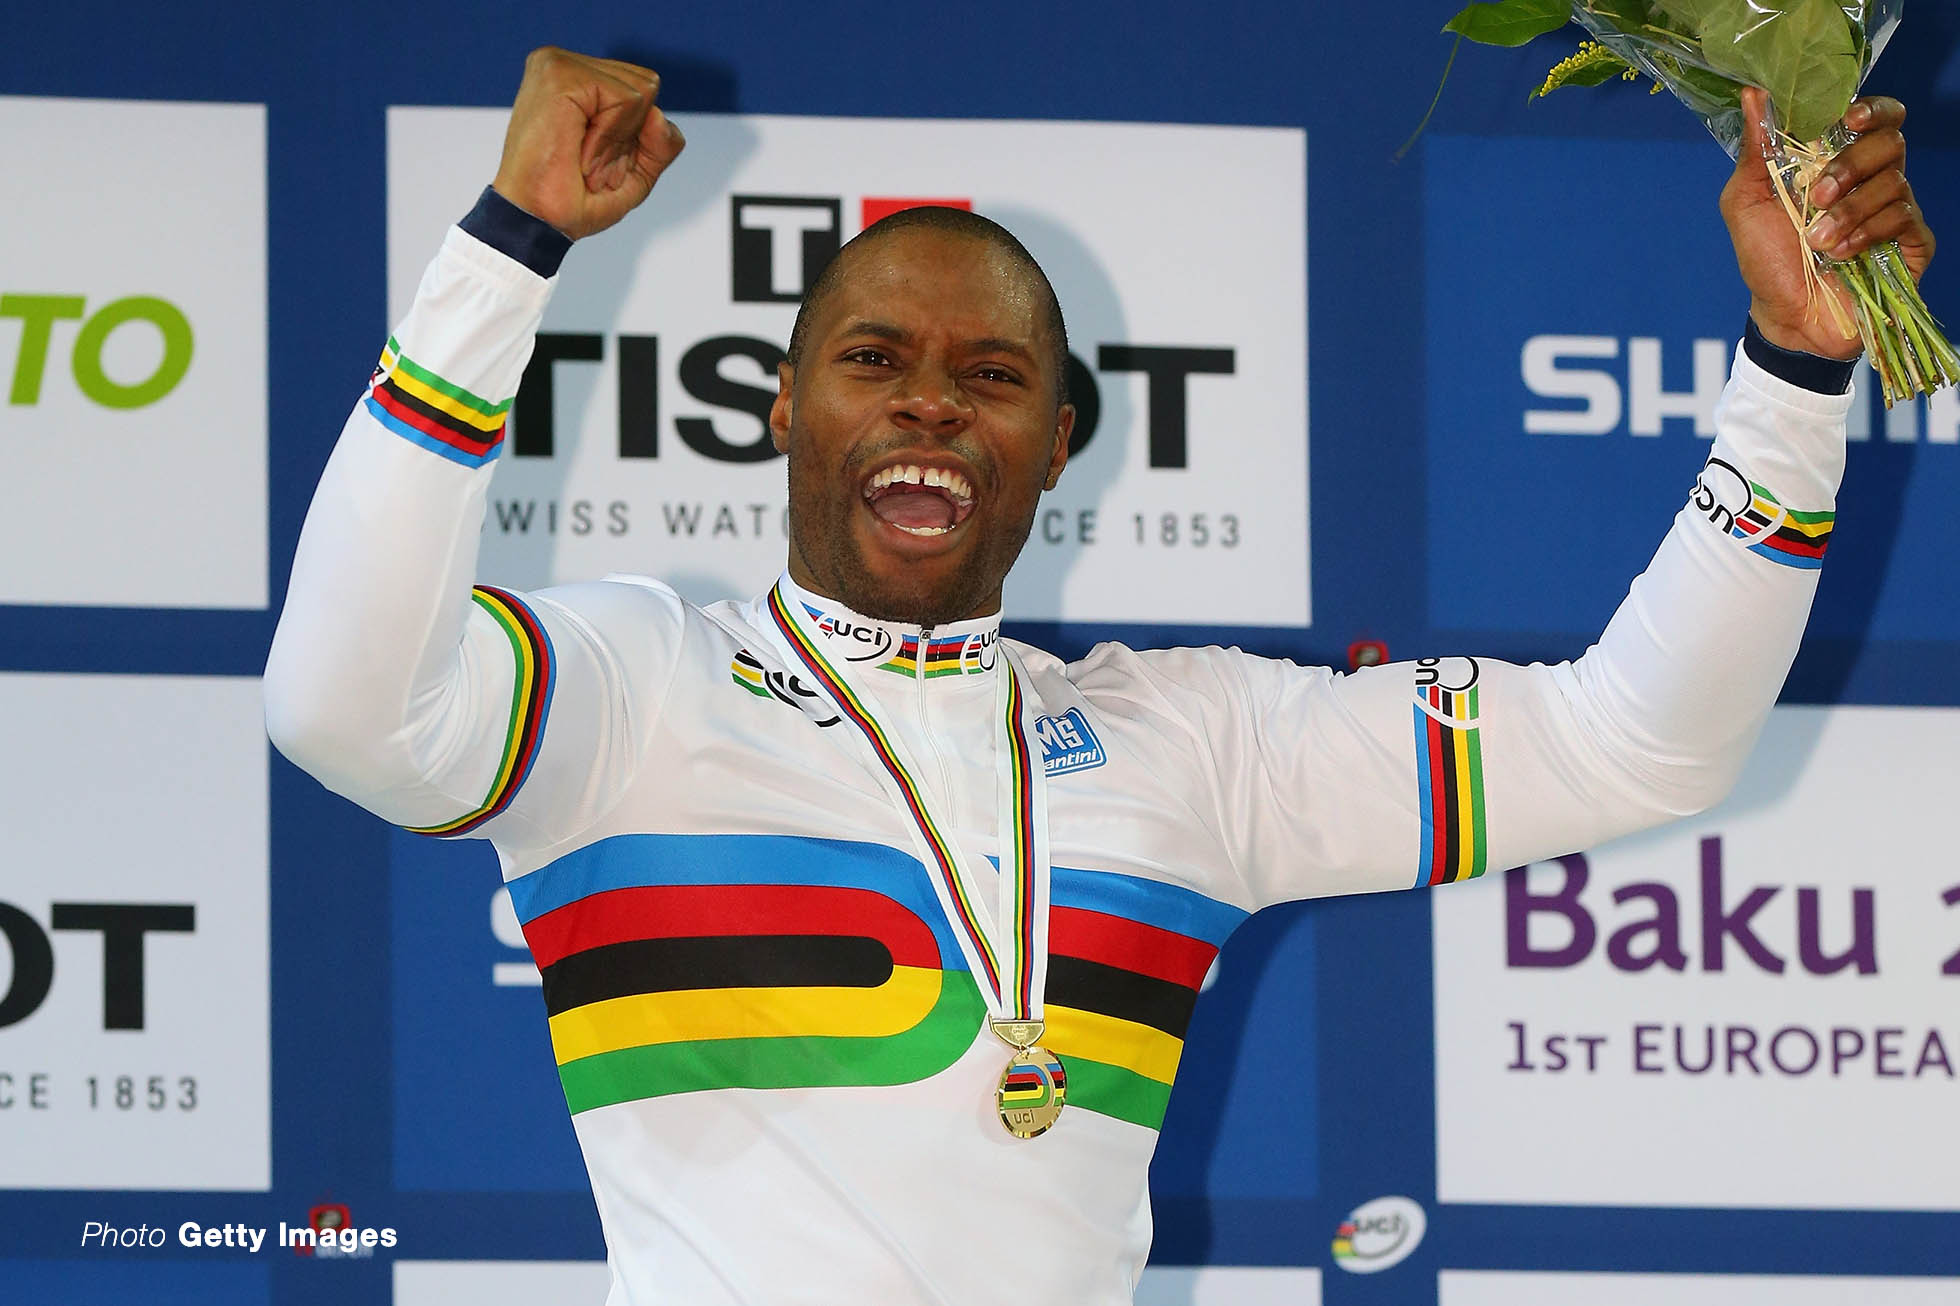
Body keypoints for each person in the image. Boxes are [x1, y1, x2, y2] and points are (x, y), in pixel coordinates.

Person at [264, 46, 1935, 1306]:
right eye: (871, 362)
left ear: (1058, 443)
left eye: (992, 374)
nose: (929, 405)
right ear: (780, 410)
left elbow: (1644, 745)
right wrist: (506, 249)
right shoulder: (634, 685)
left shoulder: (1188, 741)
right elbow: (342, 703)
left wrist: (1795, 369)